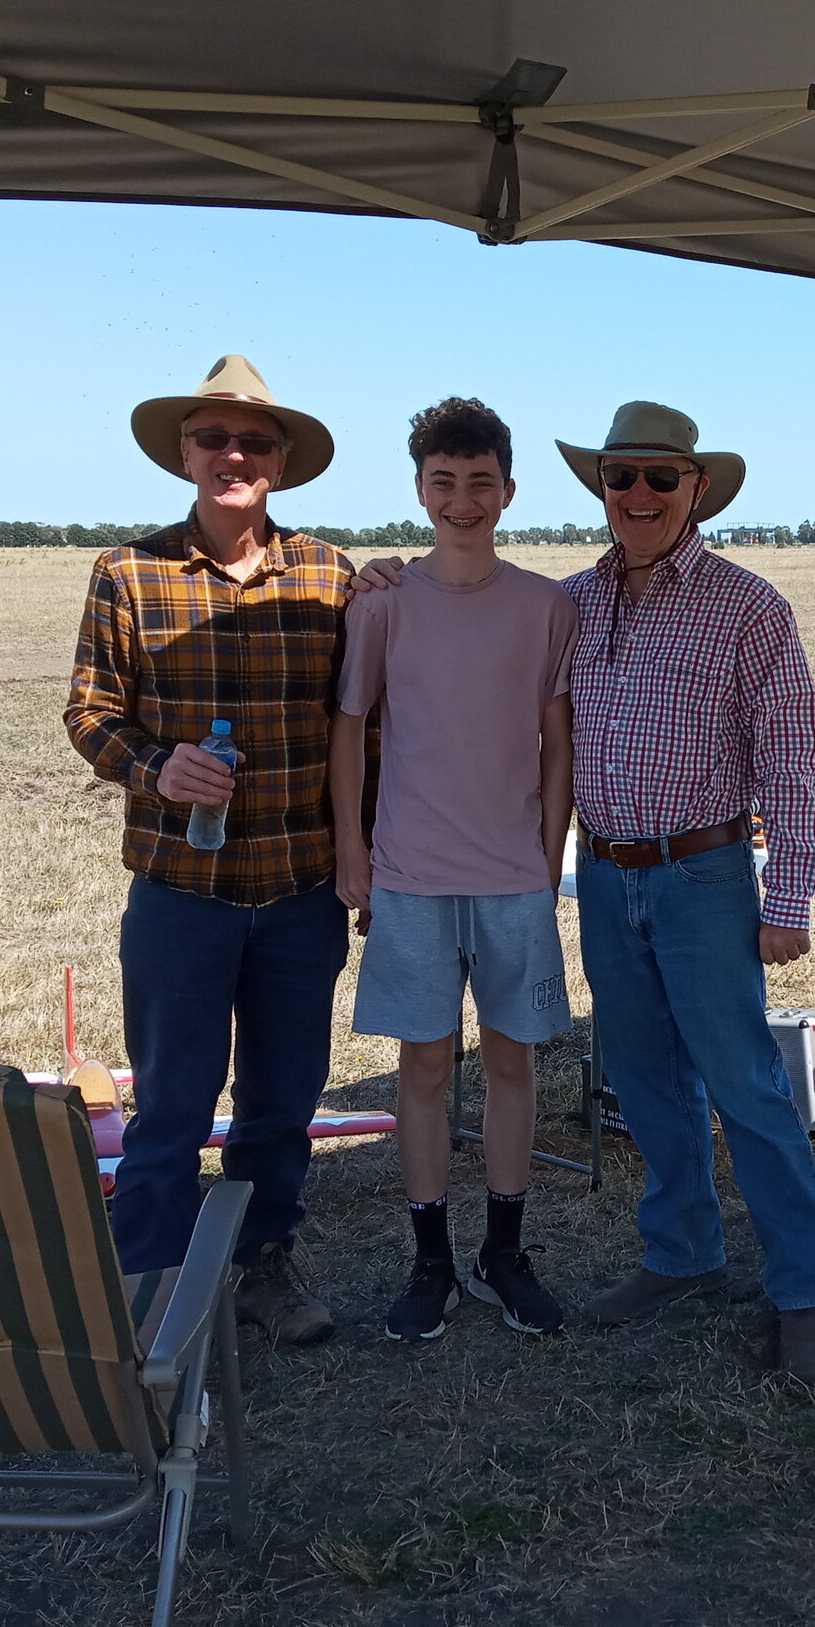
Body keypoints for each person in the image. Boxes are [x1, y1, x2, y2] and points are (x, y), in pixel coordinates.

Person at [351, 402, 815, 1382]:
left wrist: (788, 897)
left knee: (742, 1084)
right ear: (600, 489)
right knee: (650, 1085)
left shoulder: (750, 609)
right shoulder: (573, 603)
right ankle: (682, 1253)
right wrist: (380, 575)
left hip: (702, 876)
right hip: (605, 875)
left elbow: (793, 763)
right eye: (622, 477)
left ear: (696, 490)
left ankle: (807, 1289)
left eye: (662, 478)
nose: (641, 495)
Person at [65, 353, 357, 1346]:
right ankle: (150, 1297)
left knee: (281, 1105)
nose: (232, 454)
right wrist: (156, 768)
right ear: (185, 455)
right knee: (170, 1110)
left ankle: (263, 1266)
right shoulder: (126, 572)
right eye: (212, 439)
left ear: (281, 460)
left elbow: (362, 721)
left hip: (298, 890)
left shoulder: (331, 576)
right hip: (180, 892)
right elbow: (89, 714)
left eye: (252, 441)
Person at [329, 398, 579, 1344]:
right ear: (420, 488)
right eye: (445, 482)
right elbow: (351, 729)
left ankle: (503, 1252)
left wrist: (547, 855)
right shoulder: (385, 605)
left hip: (514, 875)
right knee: (424, 1065)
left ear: (509, 492)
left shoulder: (547, 605)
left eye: (481, 483)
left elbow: (557, 742)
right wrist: (354, 848)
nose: (463, 500)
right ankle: (430, 1259)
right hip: (411, 876)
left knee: (511, 1061)